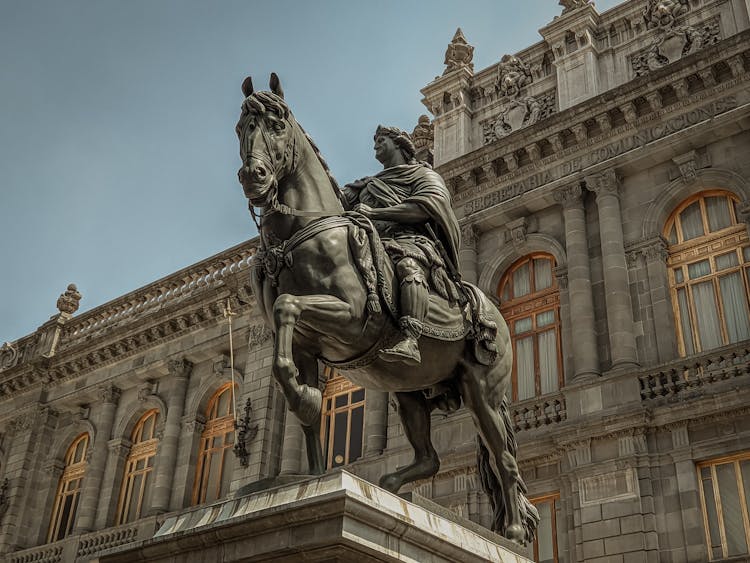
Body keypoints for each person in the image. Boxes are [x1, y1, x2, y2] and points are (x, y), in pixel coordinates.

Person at [343, 125, 461, 366]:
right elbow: (334, 202)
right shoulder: (367, 185)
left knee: (408, 266)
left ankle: (410, 338)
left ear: (399, 144)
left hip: (411, 241)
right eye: (374, 139)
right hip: (371, 243)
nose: (375, 144)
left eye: (381, 139)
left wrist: (375, 213)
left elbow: (423, 208)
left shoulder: (423, 175)